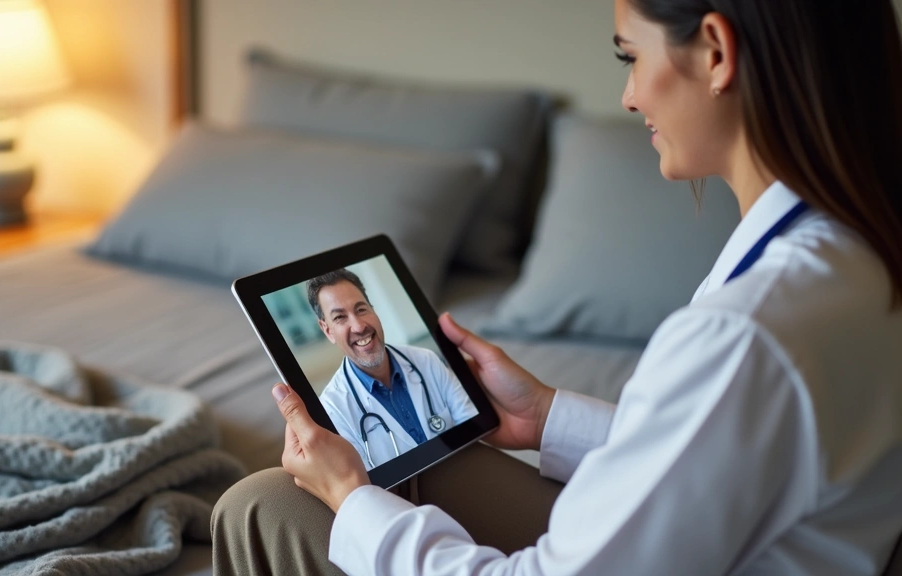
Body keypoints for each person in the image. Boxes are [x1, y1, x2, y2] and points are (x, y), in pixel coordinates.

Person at [211, 0, 902, 573]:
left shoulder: (746, 334)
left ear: (716, 52)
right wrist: (546, 416)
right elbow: (726, 454)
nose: (629, 97)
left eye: (629, 57)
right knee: (402, 471)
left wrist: (352, 495)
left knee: (266, 506)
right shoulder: (855, 251)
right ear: (327, 331)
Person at [307, 269, 478, 470]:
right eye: (340, 318)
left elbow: (474, 428)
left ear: (373, 310)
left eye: (361, 309)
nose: (358, 326)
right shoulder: (332, 410)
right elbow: (363, 486)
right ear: (327, 330)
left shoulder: (427, 360)